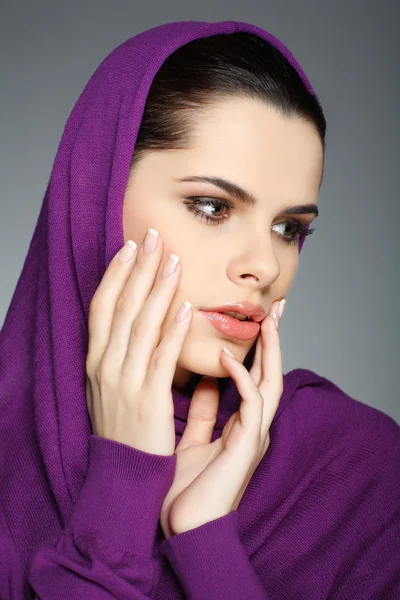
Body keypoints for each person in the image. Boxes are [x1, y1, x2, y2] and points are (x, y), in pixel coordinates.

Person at [0, 19, 398, 600]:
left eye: (289, 228)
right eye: (212, 207)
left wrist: (206, 539)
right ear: (96, 199)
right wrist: (123, 485)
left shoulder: (364, 474)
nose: (264, 265)